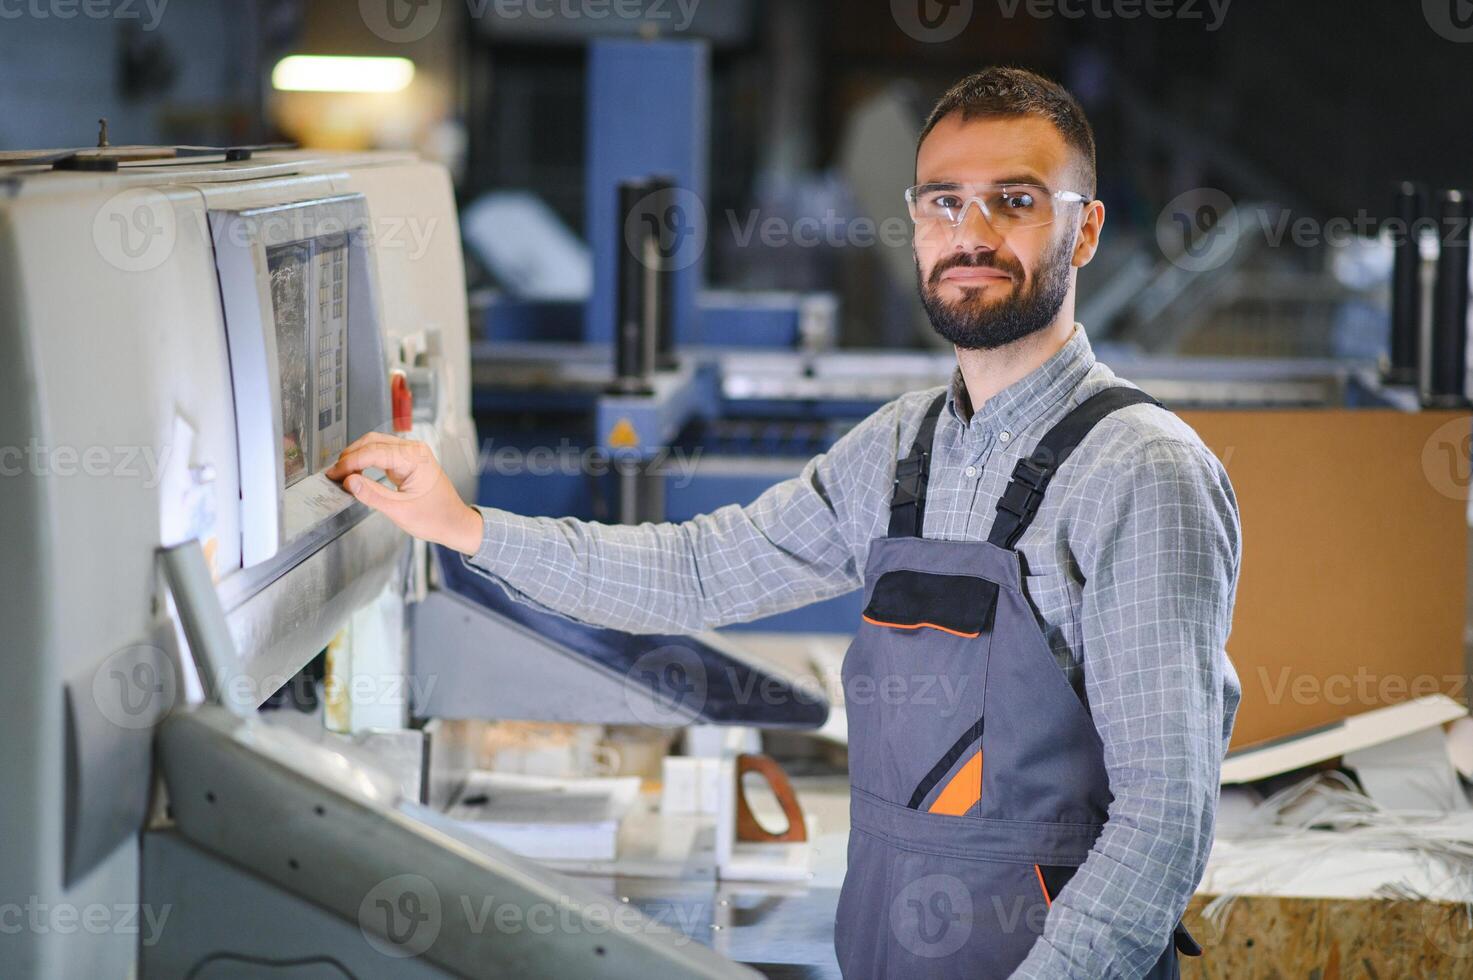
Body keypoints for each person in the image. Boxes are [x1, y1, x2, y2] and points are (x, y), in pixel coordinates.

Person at [327, 66, 1242, 980]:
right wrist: (463, 524)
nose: (972, 233)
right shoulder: (899, 448)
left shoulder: (1139, 471)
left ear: (1084, 230)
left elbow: (1163, 818)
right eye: (943, 202)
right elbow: (693, 573)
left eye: (1015, 200)